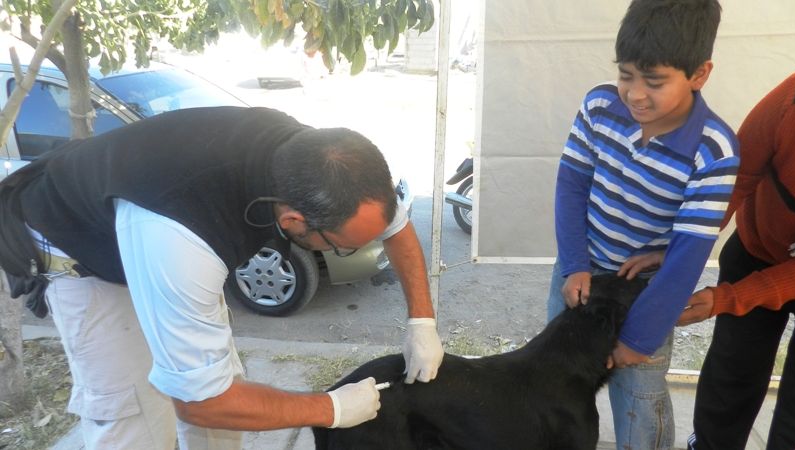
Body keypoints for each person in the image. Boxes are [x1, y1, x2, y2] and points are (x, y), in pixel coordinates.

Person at [0, 106, 445, 449]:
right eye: (342, 245)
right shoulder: (180, 240)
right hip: (82, 252)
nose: (346, 251)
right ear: (292, 221)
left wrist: (422, 322)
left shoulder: (321, 164)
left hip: (154, 215)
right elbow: (204, 403)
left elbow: (394, 228)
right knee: (136, 416)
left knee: (220, 383)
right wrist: (330, 408)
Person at [546, 0, 739, 449]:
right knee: (558, 383)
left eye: (654, 82)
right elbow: (570, 188)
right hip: (579, 273)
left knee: (640, 404)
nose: (635, 94)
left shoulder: (714, 151)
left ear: (699, 74)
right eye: (626, 74)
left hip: (645, 294)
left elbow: (688, 258)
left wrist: (640, 338)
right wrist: (575, 264)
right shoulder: (599, 105)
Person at [677, 72, 795, 450]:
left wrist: (724, 299)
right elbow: (737, 178)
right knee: (735, 367)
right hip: (755, 248)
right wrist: (683, 262)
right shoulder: (792, 97)